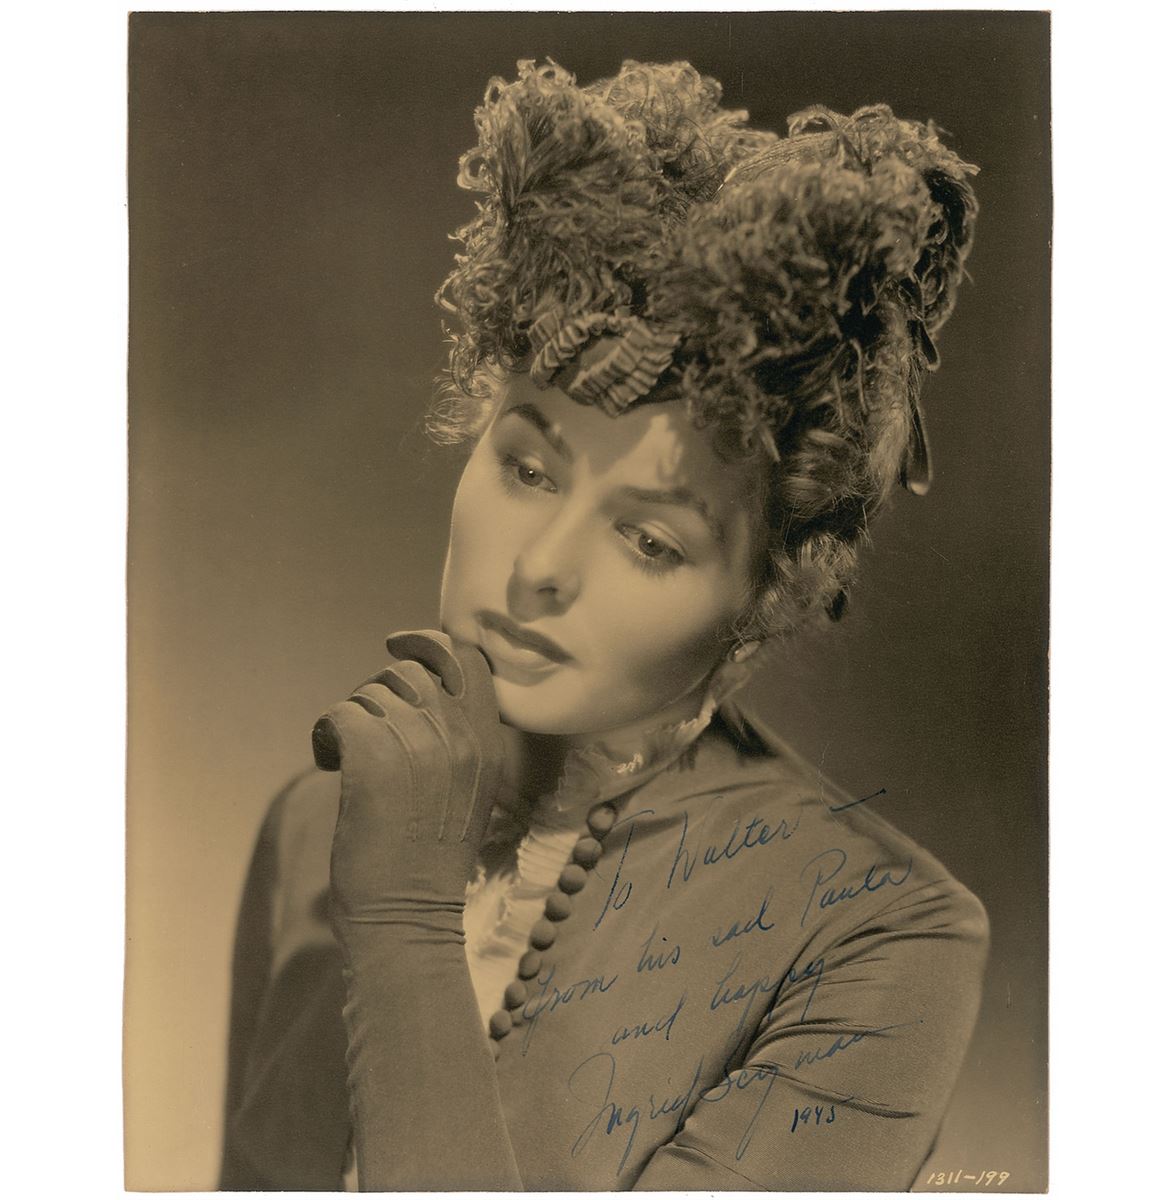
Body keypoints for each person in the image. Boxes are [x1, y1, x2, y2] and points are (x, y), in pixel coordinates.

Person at [218, 58, 988, 1191]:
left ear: (766, 596)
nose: (539, 568)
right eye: (527, 468)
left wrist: (405, 922)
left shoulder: (884, 938)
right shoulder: (314, 822)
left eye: (650, 540)